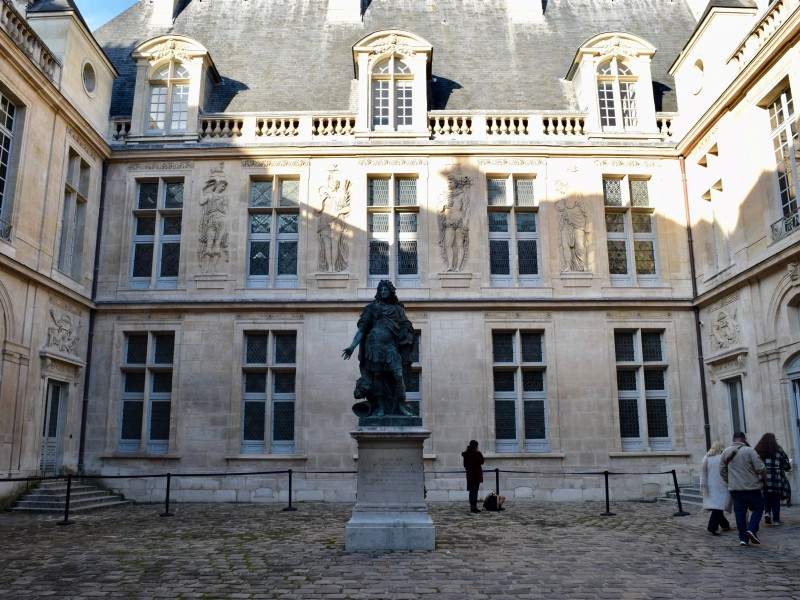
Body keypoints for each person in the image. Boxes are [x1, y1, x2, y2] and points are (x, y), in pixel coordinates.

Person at [720, 432, 766, 546]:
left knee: (740, 513)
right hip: (752, 487)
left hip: (735, 489)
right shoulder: (750, 451)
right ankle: (752, 529)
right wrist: (761, 476)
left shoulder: (726, 452)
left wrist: (730, 481)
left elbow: (722, 470)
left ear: (733, 439)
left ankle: (743, 539)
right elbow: (760, 468)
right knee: (758, 508)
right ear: (744, 439)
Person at [754, 433, 792, 526]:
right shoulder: (778, 449)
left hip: (763, 476)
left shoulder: (758, 450)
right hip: (776, 477)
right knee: (775, 498)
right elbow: (786, 464)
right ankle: (776, 520)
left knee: (766, 496)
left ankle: (767, 513)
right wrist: (785, 467)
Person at [701, 441, 732, 535]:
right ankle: (712, 527)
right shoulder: (722, 457)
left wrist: (703, 484)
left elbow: (703, 472)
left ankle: (725, 525)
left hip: (711, 484)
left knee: (717, 507)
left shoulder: (706, 457)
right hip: (722, 484)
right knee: (718, 507)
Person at [462, 440, 484, 513]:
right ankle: (474, 507)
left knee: (472, 492)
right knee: (474, 491)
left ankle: (473, 506)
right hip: (476, 475)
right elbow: (482, 461)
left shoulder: (466, 454)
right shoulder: (476, 454)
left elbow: (465, 465)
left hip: (470, 475)